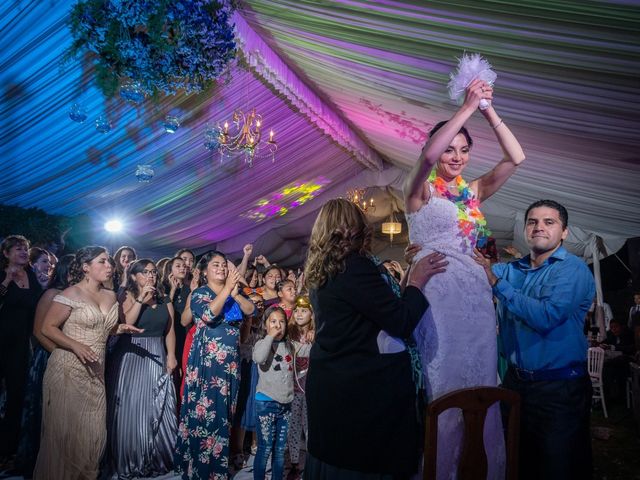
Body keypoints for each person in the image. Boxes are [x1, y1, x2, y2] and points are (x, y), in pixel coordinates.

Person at [403, 79, 525, 478]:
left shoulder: (472, 192)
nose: (455, 156)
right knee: (445, 386)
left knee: (483, 384)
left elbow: (516, 157)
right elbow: (427, 155)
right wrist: (467, 109)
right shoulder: (419, 190)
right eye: (449, 149)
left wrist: (488, 108)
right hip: (437, 296)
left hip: (475, 296)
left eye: (464, 150)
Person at [303, 199, 446, 478]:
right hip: (358, 390)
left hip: (333, 383)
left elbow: (377, 306)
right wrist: (416, 281)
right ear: (355, 226)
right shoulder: (353, 266)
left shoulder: (325, 266)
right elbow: (401, 321)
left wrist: (405, 277)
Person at [474, 200, 595, 480]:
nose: (539, 227)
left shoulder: (572, 270)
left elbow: (547, 317)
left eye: (549, 222)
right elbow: (473, 269)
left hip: (558, 388)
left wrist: (496, 283)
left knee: (556, 467)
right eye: (532, 221)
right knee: (514, 463)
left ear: (564, 232)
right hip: (515, 384)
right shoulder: (511, 270)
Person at [33, 246, 141, 479]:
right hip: (67, 370)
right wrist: (75, 345)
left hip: (95, 371)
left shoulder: (111, 295)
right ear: (85, 267)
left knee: (92, 433)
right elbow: (47, 328)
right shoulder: (71, 293)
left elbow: (105, 326)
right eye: (102, 262)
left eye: (109, 262)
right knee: (66, 435)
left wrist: (120, 327)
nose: (109, 266)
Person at [174, 250, 255, 479]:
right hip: (207, 364)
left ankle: (216, 467)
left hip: (230, 364)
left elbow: (252, 311)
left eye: (223, 265)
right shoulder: (200, 293)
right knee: (204, 414)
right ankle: (199, 468)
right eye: (216, 265)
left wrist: (236, 294)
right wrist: (227, 291)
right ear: (206, 271)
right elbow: (209, 315)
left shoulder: (233, 294)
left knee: (223, 414)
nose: (221, 269)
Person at [105, 259, 178, 478]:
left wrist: (172, 355)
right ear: (135, 276)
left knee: (159, 404)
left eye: (154, 272)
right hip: (132, 354)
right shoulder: (126, 296)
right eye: (145, 272)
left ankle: (156, 456)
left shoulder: (165, 300)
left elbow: (170, 330)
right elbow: (126, 324)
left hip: (157, 352)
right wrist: (140, 299)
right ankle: (132, 457)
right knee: (134, 406)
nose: (151, 276)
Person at [15, 254, 74, 477]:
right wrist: (60, 356)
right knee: (44, 411)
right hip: (49, 358)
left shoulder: (76, 295)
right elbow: (39, 331)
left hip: (69, 357)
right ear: (67, 272)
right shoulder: (52, 293)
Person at [0, 235, 42, 459]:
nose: (24, 252)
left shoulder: (31, 275)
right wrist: (6, 280)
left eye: (26, 248)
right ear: (6, 253)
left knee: (16, 397)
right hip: (1, 341)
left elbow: (38, 303)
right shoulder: (2, 275)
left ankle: (7, 451)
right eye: (18, 249)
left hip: (20, 345)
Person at [252, 305, 302, 480]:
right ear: (265, 325)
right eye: (273, 322)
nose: (278, 326)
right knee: (265, 448)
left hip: (286, 404)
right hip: (266, 402)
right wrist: (269, 337)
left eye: (282, 322)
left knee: (280, 450)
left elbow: (306, 352)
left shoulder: (290, 346)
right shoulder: (261, 344)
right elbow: (259, 358)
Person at [287, 295, 315, 476]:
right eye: (296, 310)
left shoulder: (316, 333)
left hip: (311, 388)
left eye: (304, 311)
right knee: (294, 425)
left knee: (310, 424)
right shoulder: (289, 332)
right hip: (293, 388)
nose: (299, 314)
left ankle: (313, 462)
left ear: (312, 314)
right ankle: (295, 463)